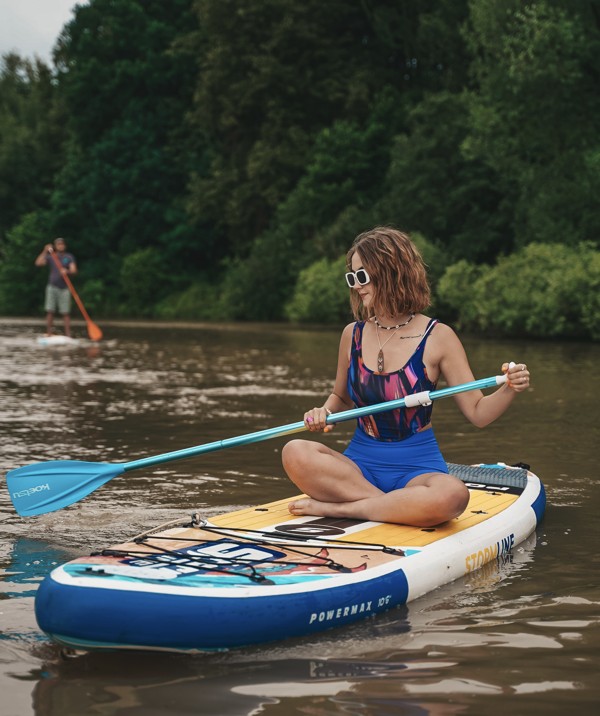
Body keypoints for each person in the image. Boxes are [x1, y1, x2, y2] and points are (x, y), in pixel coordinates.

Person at [281, 226, 530, 528]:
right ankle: (388, 507)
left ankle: (345, 508)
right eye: (352, 277)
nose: (356, 286)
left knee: (453, 495)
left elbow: (478, 413)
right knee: (295, 451)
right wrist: (325, 411)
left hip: (417, 469)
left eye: (363, 276)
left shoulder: (438, 337)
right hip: (359, 466)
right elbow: (341, 398)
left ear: (390, 272)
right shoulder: (353, 334)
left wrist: (509, 388)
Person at [35, 238, 77, 337]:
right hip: (52, 287)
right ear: (55, 246)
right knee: (50, 310)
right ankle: (49, 333)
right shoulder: (51, 257)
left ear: (64, 246)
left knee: (65, 312)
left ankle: (68, 335)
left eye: (62, 244)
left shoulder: (69, 257)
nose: (60, 246)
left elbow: (74, 270)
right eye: (58, 244)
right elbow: (38, 263)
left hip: (65, 288)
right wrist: (45, 250)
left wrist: (67, 271)